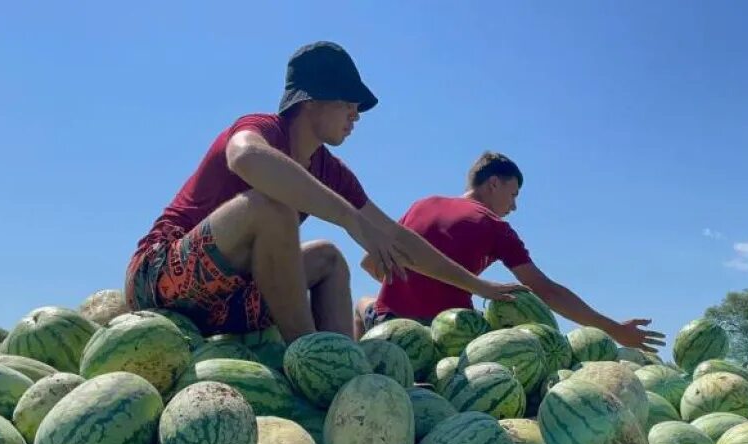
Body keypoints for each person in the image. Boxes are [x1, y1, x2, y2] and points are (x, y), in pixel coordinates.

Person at [124, 42, 520, 344]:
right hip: (161, 281)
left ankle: (338, 367)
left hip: (226, 304)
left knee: (329, 258)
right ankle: (310, 355)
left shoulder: (331, 171)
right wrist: (349, 218)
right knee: (270, 206)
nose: (356, 115)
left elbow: (398, 239)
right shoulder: (263, 129)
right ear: (311, 100)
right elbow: (244, 157)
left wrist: (479, 286)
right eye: (348, 103)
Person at [353, 151, 665, 352]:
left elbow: (370, 263)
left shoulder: (423, 204)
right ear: (493, 185)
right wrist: (614, 329)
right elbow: (545, 290)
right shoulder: (494, 226)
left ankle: (356, 362)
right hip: (446, 340)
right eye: (513, 194)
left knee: (362, 302)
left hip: (389, 328)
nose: (513, 206)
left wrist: (411, 286)